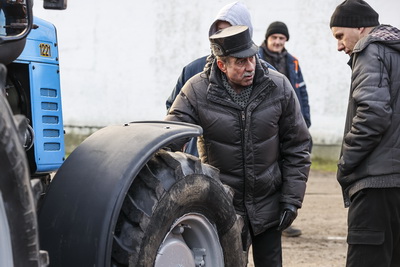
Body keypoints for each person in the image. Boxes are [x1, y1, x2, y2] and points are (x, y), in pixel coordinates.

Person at [165, 25, 311, 266]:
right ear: (222, 65)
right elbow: (171, 139)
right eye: (240, 62)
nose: (250, 67)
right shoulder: (196, 91)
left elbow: (297, 146)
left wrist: (291, 200)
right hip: (223, 209)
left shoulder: (279, 87)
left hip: (268, 204)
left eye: (252, 58)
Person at [330, 0, 400, 266]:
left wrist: (345, 163)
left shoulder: (369, 49)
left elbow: (373, 114)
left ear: (359, 27)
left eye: (339, 35)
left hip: (375, 187)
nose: (338, 45)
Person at [165, 1, 275, 157]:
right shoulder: (193, 71)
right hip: (201, 167)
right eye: (219, 31)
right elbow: (174, 111)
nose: (224, 36)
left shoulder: (269, 77)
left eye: (231, 29)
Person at [258, 21, 311, 238]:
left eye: (282, 38)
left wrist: (305, 122)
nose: (278, 42)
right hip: (266, 125)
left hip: (288, 125)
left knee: (287, 172)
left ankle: (284, 220)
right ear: (267, 39)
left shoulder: (293, 63)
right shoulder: (255, 59)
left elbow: (302, 93)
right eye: (275, 38)